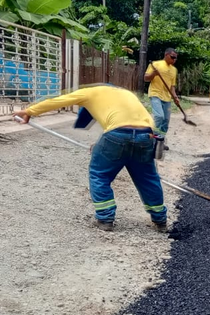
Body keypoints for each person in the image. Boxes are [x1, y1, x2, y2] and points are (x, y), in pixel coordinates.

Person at [13, 86, 167, 232]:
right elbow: (135, 123)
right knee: (147, 177)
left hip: (116, 134)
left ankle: (106, 218)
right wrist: (103, 145)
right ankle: (160, 219)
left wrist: (29, 111)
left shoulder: (89, 92)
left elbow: (58, 101)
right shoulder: (126, 94)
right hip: (146, 135)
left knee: (99, 174)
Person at [144, 48, 180, 143]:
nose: (174, 60)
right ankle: (153, 139)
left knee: (166, 121)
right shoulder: (155, 64)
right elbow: (146, 78)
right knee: (159, 116)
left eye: (175, 58)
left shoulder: (174, 70)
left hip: (167, 97)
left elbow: (172, 87)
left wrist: (175, 97)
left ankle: (160, 142)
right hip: (155, 94)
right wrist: (154, 74)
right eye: (172, 57)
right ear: (166, 55)